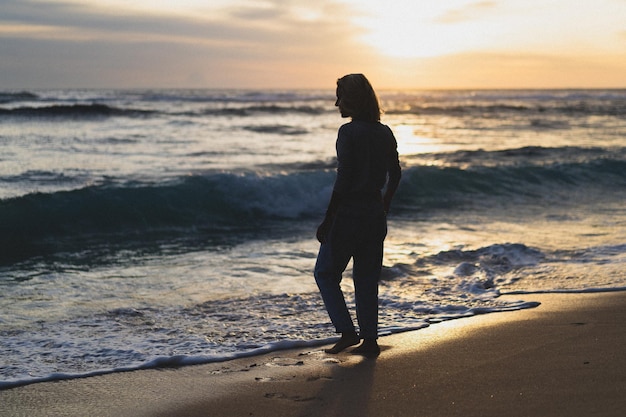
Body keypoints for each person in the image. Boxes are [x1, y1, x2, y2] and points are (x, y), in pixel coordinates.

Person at [314, 74, 401, 357]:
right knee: (365, 278)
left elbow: (345, 178)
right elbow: (395, 173)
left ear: (352, 99)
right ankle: (370, 340)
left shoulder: (349, 133)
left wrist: (328, 218)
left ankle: (348, 331)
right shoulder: (384, 131)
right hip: (374, 213)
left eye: (341, 96)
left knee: (326, 273)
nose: (337, 102)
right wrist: (385, 202)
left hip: (349, 212)